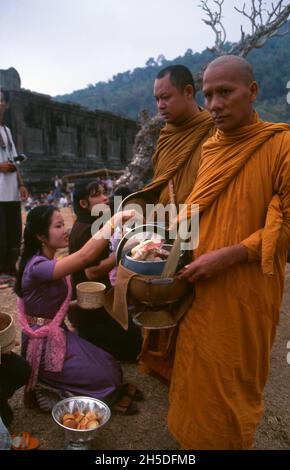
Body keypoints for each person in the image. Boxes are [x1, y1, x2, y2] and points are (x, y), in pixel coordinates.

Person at [167, 55, 290, 449]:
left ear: (252, 92)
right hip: (199, 286)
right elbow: (197, 209)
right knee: (195, 375)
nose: (215, 104)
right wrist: (166, 242)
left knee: (233, 381)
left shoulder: (282, 145)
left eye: (225, 92)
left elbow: (287, 225)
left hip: (246, 290)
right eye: (208, 95)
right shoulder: (212, 148)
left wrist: (231, 255)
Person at [123, 65, 215, 383]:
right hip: (164, 228)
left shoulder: (213, 132)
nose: (160, 105)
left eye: (166, 97)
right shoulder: (166, 135)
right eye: (156, 98)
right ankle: (160, 363)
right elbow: (162, 181)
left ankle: (188, 371)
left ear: (189, 92)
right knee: (158, 294)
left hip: (200, 227)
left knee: (190, 303)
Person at [15, 205, 136, 403]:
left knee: (111, 364)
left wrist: (76, 303)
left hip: (57, 332)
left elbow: (46, 307)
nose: (65, 230)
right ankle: (49, 387)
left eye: (64, 224)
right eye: (58, 226)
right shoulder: (38, 267)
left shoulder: (48, 260)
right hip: (43, 343)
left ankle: (57, 385)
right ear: (41, 236)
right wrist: (114, 221)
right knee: (108, 380)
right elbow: (84, 257)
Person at [68, 179, 142, 361]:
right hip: (90, 308)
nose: (104, 198)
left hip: (94, 304)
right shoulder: (88, 230)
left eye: (104, 192)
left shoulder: (87, 223)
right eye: (97, 195)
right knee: (137, 347)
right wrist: (125, 248)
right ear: (84, 204)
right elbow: (92, 272)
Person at [0, 90, 28, 282]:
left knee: (14, 232)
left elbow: (13, 159)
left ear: (6, 105)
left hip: (10, 190)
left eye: (0, 100)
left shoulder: (7, 131)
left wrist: (21, 184)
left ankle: (10, 268)